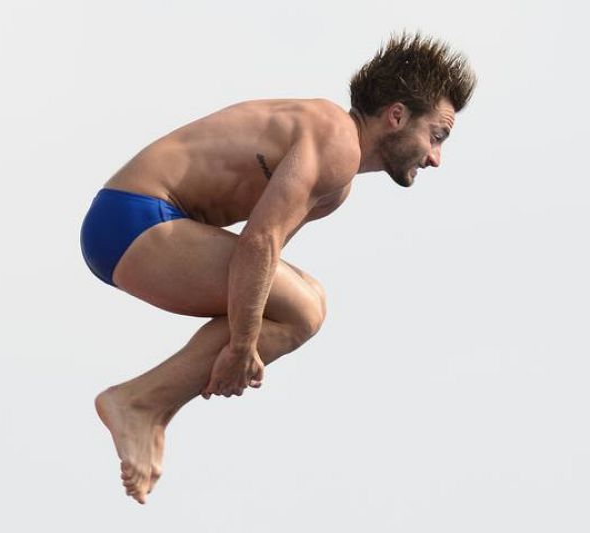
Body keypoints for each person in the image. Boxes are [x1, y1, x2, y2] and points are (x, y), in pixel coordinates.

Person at [80, 31, 476, 504]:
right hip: (134, 219)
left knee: (302, 301)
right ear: (396, 115)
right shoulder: (334, 137)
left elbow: (258, 275)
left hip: (132, 225)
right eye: (436, 136)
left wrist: (243, 343)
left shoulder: (337, 184)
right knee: (304, 310)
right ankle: (139, 403)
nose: (435, 157)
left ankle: (151, 407)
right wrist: (242, 347)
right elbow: (259, 243)